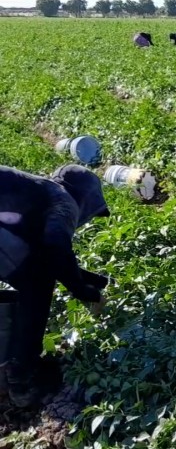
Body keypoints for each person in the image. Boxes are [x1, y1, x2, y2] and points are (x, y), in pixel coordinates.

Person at [0, 164, 111, 408]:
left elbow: (43, 254)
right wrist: (84, 292)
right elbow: (55, 245)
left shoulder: (36, 192)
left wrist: (91, 281)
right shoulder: (64, 201)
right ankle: (21, 380)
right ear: (85, 199)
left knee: (33, 272)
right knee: (37, 285)